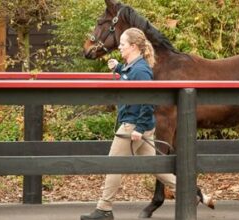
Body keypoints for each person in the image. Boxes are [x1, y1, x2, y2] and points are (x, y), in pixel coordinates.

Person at [81, 28, 213, 220]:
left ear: (134, 47)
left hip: (133, 125)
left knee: (113, 164)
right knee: (156, 168)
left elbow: (148, 101)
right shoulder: (134, 66)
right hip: (137, 124)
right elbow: (130, 76)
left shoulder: (141, 70)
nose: (119, 46)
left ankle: (104, 209)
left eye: (123, 44)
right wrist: (118, 67)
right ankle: (192, 194)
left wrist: (139, 129)